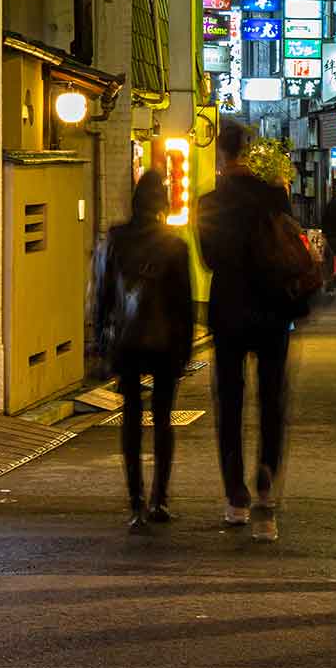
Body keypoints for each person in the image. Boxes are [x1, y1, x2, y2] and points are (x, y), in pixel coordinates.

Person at [198, 120, 300, 543]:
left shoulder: (209, 202)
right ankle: (266, 482)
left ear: (220, 154)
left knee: (231, 401)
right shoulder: (273, 194)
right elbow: (292, 243)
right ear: (248, 149)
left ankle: (236, 498)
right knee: (272, 397)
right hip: (273, 307)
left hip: (229, 309)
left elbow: (207, 260)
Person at [94, 170, 193, 531]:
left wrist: (100, 341)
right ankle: (159, 499)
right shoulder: (175, 245)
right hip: (165, 343)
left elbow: (102, 292)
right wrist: (184, 349)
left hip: (128, 340)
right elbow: (184, 304)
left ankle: (135, 503)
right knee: (163, 419)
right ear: (162, 204)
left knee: (132, 419)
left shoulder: (116, 239)